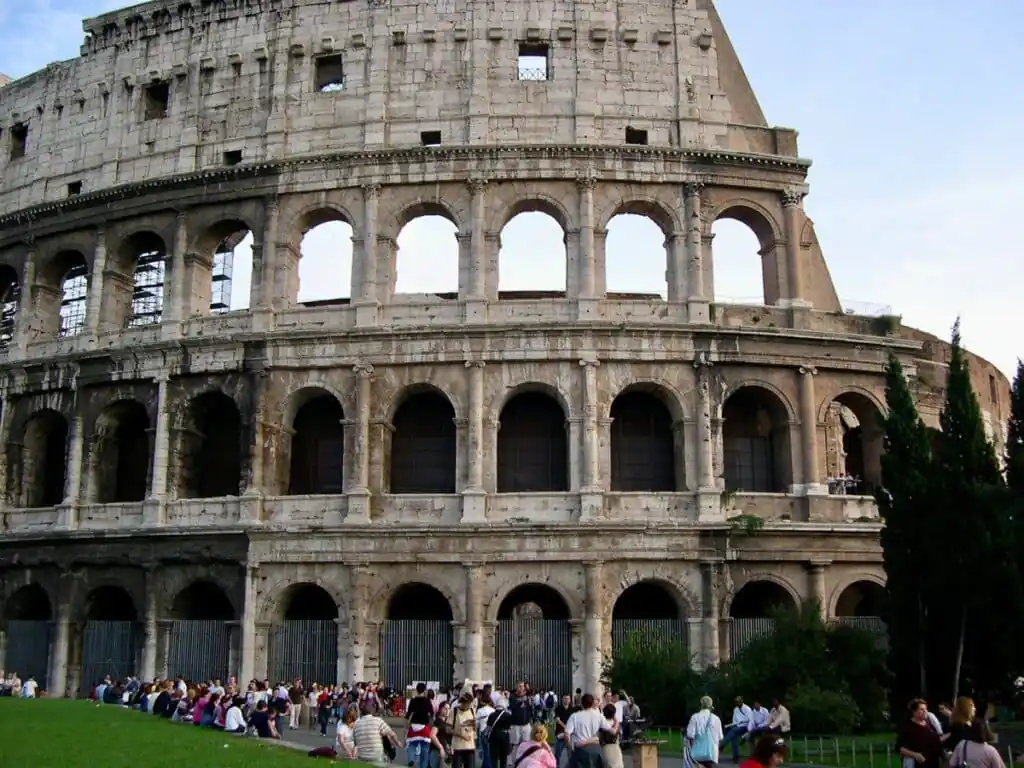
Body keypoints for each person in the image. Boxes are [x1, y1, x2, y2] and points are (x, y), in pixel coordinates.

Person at [897, 699, 943, 768]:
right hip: (917, 765)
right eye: (922, 709)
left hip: (933, 763)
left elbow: (937, 740)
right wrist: (915, 755)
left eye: (926, 709)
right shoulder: (908, 727)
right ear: (914, 712)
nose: (925, 711)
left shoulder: (931, 724)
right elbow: (898, 748)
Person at [685, 695, 724, 768]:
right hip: (711, 754)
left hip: (698, 753)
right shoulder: (716, 719)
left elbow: (690, 735)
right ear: (711, 705)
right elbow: (720, 737)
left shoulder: (695, 717)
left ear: (701, 705)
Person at [449, 693, 476, 768]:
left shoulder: (472, 710)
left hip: (470, 747)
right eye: (467, 703)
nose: (468, 705)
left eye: (470, 703)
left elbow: (474, 726)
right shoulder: (454, 711)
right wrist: (461, 735)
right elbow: (448, 730)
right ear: (462, 702)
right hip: (458, 747)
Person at [599, 704, 624, 768]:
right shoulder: (615, 723)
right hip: (615, 747)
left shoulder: (602, 723)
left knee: (608, 765)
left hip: (605, 747)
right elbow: (619, 734)